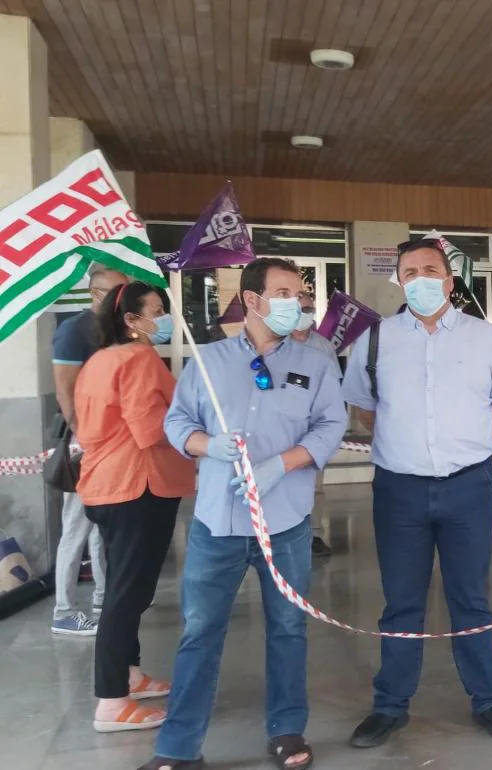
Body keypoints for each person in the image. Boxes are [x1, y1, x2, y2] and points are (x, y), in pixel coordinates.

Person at [148, 257, 348, 770]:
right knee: (200, 631)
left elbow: (330, 427)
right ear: (253, 300)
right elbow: (176, 423)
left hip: (285, 523)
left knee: (288, 628)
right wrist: (206, 445)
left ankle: (285, 729)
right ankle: (178, 748)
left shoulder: (317, 364)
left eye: (300, 294)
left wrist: (282, 464)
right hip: (218, 522)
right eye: (284, 292)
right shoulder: (208, 361)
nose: (296, 304)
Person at [342, 238, 492, 749]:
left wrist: (463, 439)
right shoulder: (375, 340)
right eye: (409, 271)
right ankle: (390, 705)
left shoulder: (484, 338)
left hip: (467, 485)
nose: (420, 278)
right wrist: (410, 443)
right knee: (401, 603)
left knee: (470, 598)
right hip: (399, 489)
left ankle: (488, 699)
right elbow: (364, 408)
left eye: (430, 270)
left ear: (449, 280)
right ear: (398, 280)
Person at [76, 282, 194, 733]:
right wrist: (194, 421)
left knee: (130, 590)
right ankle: (111, 700)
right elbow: (151, 430)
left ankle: (129, 672)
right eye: (157, 311)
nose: (162, 319)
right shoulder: (139, 359)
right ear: (131, 320)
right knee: (126, 596)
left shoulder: (99, 360)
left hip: (107, 487)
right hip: (137, 486)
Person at [50, 263, 128, 636]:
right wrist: (84, 437)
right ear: (96, 294)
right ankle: (64, 610)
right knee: (77, 527)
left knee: (102, 526)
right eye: (116, 292)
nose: (122, 299)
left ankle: (102, 595)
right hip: (87, 445)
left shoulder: (113, 330)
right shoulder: (74, 330)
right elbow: (65, 389)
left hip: (112, 444)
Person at [291, 290, 338, 558]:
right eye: (300, 309)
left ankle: (313, 535)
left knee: (314, 487)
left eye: (309, 309)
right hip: (284, 431)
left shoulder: (323, 347)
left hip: (315, 432)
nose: (305, 315)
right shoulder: (276, 344)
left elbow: (334, 391)